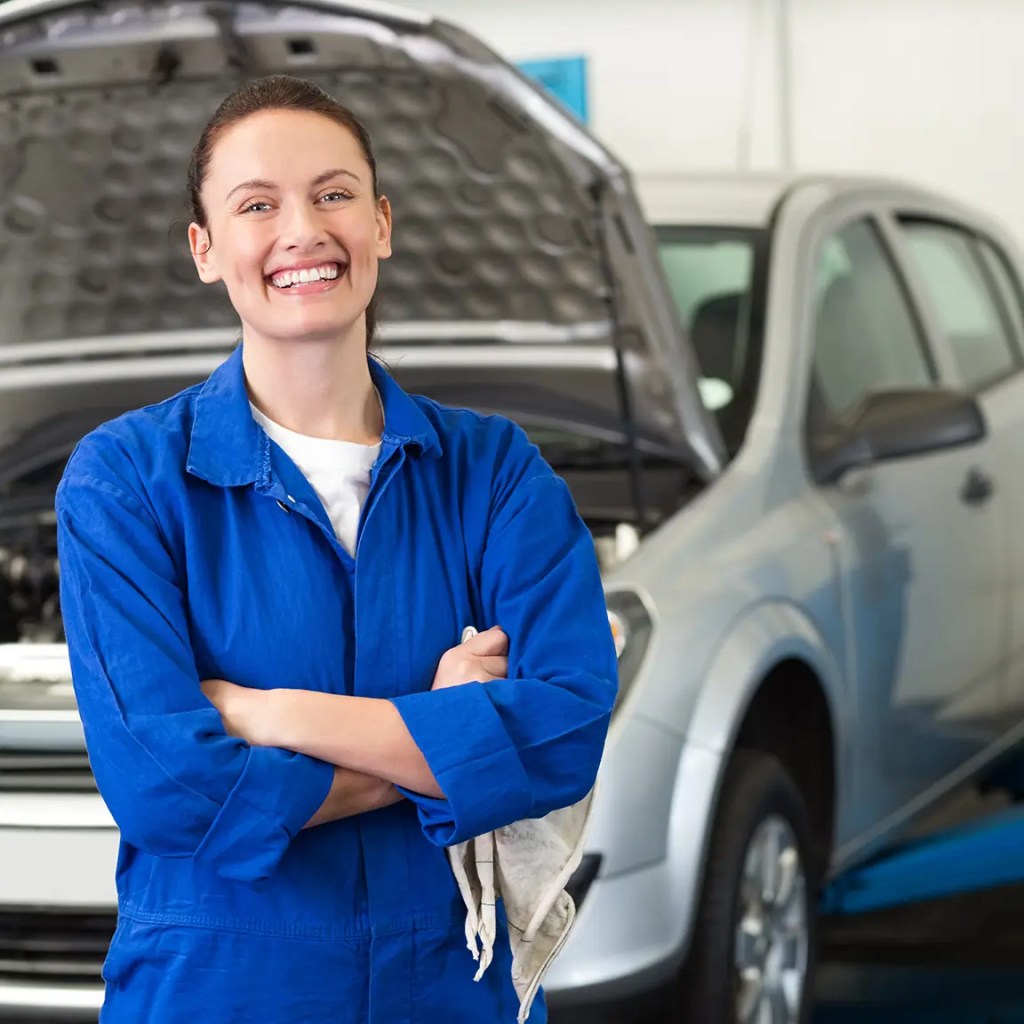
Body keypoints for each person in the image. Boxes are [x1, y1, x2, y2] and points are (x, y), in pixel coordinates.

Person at [55, 74, 618, 1024]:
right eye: (256, 205)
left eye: (333, 193)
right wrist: (439, 738)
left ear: (382, 222)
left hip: (450, 986)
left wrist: (268, 715)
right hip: (218, 991)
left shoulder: (494, 472)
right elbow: (167, 790)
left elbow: (564, 733)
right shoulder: (123, 483)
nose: (302, 231)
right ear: (204, 248)